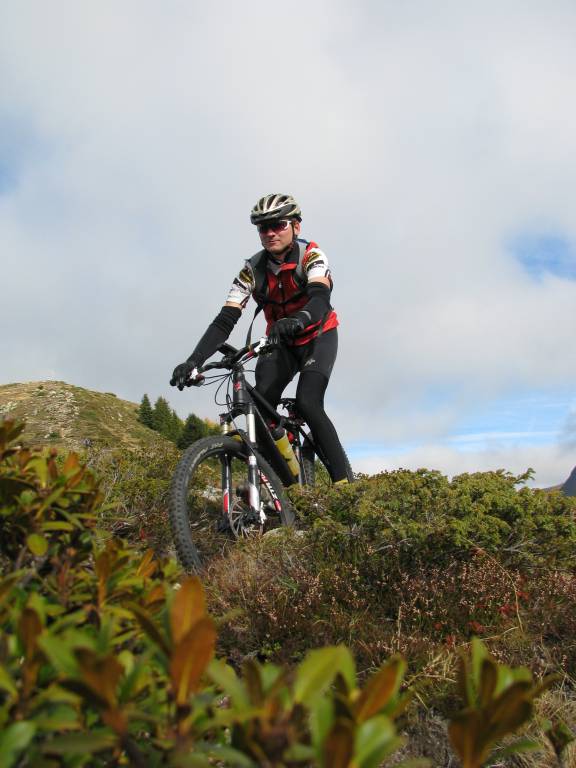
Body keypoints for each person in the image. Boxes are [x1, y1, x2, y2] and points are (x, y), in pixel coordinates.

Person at [170, 193, 350, 483]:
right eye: (263, 228)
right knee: (259, 413)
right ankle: (289, 488)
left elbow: (320, 298)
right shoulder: (250, 270)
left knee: (308, 402)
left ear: (296, 227)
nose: (270, 233)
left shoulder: (312, 255)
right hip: (280, 343)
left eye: (278, 225)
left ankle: (346, 488)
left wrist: (299, 319)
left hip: (318, 335)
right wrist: (193, 361)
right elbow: (225, 319)